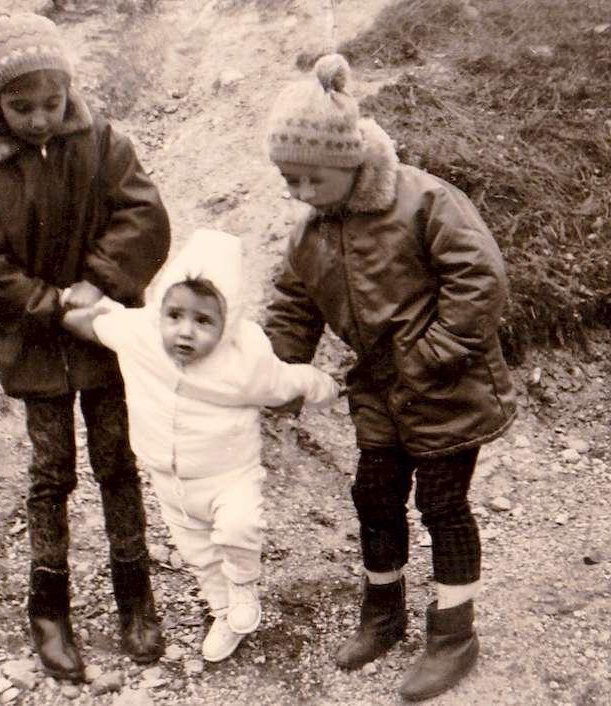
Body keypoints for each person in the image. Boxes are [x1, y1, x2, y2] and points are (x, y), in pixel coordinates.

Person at [263, 54, 517, 701]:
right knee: (374, 496)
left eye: (310, 177)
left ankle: (454, 632)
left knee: (442, 505)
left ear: (348, 162)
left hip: (449, 385)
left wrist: (437, 350)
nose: (299, 191)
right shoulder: (310, 233)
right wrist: (279, 375)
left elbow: (479, 276)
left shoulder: (424, 201)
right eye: (289, 179)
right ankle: (383, 613)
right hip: (379, 388)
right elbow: (293, 305)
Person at [0, 11, 171, 682]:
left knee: (117, 464)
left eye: (52, 102)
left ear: (69, 91)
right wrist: (54, 308)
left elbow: (144, 216)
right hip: (36, 347)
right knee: (51, 474)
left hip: (105, 337)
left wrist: (96, 286)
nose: (39, 118)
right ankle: (48, 610)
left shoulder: (104, 144)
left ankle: (135, 596)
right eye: (21, 107)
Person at [61, 228, 340, 662]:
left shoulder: (245, 362)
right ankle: (224, 612)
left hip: (229, 476)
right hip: (169, 478)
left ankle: (243, 586)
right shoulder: (140, 335)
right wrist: (64, 305)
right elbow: (93, 322)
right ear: (160, 309)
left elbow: (289, 381)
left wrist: (329, 387)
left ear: (227, 324)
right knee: (198, 554)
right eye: (175, 315)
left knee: (238, 527)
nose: (185, 332)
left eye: (204, 321)